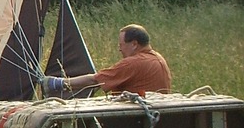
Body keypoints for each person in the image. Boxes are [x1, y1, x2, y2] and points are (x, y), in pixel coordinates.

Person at [43, 23, 172, 99]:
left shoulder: (134, 63)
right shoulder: (158, 58)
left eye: (121, 45)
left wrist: (57, 83)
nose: (119, 49)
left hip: (138, 121)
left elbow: (95, 80)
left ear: (134, 44)